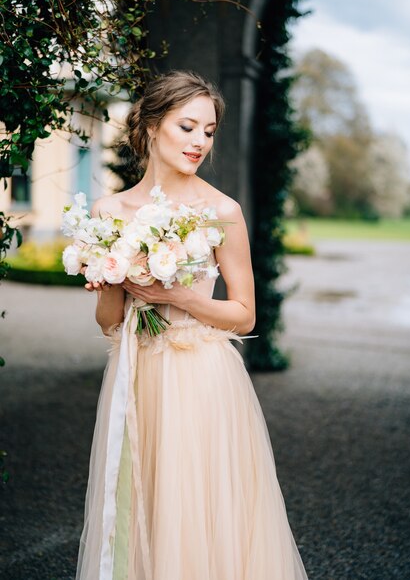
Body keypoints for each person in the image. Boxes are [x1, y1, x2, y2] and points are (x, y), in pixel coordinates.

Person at [75, 70, 308, 580]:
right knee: (140, 504)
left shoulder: (222, 210)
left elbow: (244, 313)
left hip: (201, 377)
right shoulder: (108, 212)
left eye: (209, 131)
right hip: (135, 375)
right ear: (153, 125)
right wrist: (112, 278)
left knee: (197, 511)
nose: (200, 141)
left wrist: (177, 295)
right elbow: (109, 324)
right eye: (188, 127)